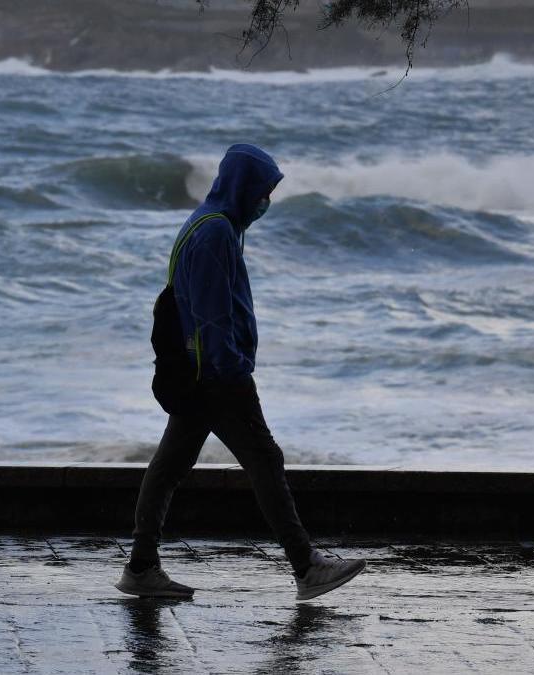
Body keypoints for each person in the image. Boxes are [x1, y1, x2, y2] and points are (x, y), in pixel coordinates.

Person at [115, 144, 366, 602]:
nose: (265, 201)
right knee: (265, 461)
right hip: (217, 374)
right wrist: (231, 371)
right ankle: (306, 566)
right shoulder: (215, 235)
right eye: (262, 191)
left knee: (170, 465)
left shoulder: (211, 222)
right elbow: (212, 316)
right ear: (243, 187)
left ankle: (141, 565)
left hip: (200, 370)